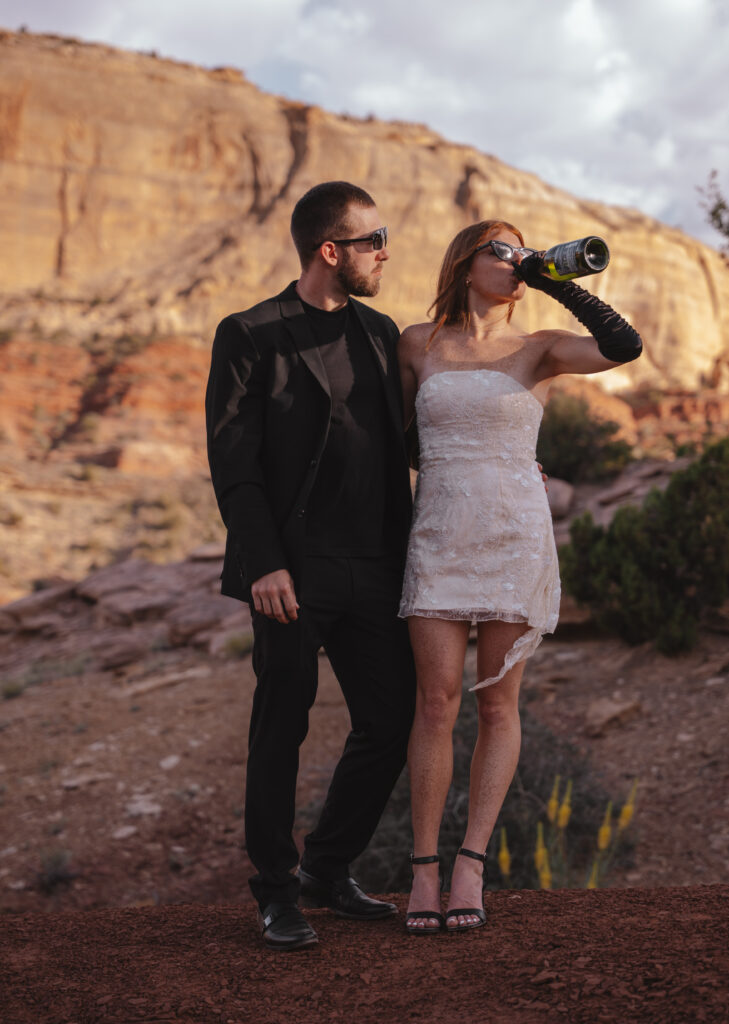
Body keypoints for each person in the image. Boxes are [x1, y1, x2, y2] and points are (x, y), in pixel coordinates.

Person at [397, 220, 642, 934]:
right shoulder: (416, 342)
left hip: (513, 534)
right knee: (436, 705)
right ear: (464, 261)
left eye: (520, 250)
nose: (512, 259)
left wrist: (551, 280)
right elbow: (391, 433)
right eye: (499, 250)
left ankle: (470, 862)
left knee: (498, 707)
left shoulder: (539, 349)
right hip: (440, 531)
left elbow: (622, 347)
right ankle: (421, 869)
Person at [205, 182, 416, 951]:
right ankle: (274, 889)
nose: (384, 251)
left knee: (391, 721)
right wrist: (263, 563)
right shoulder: (251, 333)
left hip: (377, 564)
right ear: (332, 250)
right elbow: (233, 461)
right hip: (291, 573)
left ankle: (326, 869)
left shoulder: (381, 331)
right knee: (280, 725)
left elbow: (405, 442)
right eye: (373, 240)